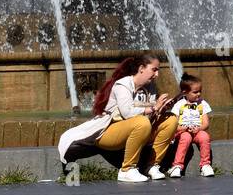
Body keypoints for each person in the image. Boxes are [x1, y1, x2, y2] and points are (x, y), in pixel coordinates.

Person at [57, 52, 178, 183]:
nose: (157, 74)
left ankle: (152, 166)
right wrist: (153, 107)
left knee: (170, 119)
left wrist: (160, 110)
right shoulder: (123, 84)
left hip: (136, 130)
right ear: (141, 68)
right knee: (141, 122)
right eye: (154, 70)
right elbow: (127, 113)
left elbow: (149, 118)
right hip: (108, 133)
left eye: (158, 70)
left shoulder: (151, 87)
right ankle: (127, 170)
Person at [168, 74, 214, 178]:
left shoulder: (202, 103)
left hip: (197, 131)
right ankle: (177, 166)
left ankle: (205, 165)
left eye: (200, 91)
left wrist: (199, 128)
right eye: (195, 92)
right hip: (183, 132)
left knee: (204, 136)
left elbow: (206, 123)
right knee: (186, 137)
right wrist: (182, 128)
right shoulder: (179, 105)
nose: (198, 94)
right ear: (184, 92)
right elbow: (173, 124)